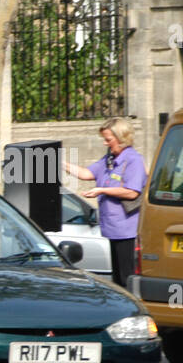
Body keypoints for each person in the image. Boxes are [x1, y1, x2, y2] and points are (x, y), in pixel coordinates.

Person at [63, 116, 146, 289]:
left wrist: (102, 190)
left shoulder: (132, 160)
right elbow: (87, 174)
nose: (105, 144)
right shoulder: (109, 159)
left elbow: (132, 192)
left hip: (126, 229)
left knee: (126, 277)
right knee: (117, 277)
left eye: (108, 140)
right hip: (112, 227)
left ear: (121, 138)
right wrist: (61, 164)